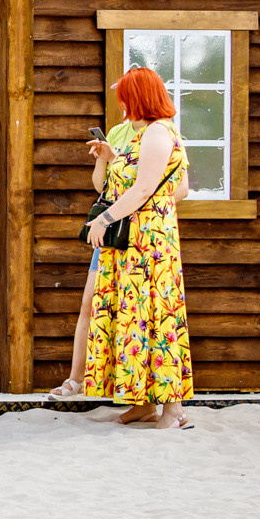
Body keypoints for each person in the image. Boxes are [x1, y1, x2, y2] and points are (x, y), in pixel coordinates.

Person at [83, 67, 193, 427]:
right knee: (136, 321)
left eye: (126, 98)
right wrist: (111, 158)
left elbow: (145, 188)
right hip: (134, 244)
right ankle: (144, 402)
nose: (122, 105)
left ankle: (173, 409)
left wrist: (104, 219)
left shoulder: (159, 133)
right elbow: (127, 178)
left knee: (160, 319)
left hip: (151, 246)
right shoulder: (142, 135)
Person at [51, 113, 189, 398]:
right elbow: (103, 187)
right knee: (93, 302)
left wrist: (141, 204)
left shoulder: (161, 133)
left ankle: (137, 394)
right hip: (111, 230)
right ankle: (78, 378)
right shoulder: (117, 133)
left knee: (137, 310)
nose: (124, 104)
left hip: (137, 231)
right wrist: (105, 158)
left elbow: (176, 189)